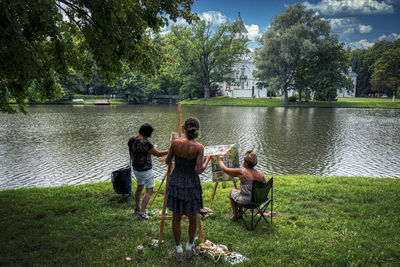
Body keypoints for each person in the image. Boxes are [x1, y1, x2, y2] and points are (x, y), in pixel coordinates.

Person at [165, 117, 211, 258]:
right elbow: (198, 170)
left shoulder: (175, 143)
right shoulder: (199, 148)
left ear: (184, 128)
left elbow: (168, 161)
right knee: (193, 216)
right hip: (191, 182)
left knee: (176, 217)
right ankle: (190, 245)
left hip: (177, 180)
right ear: (197, 130)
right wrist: (207, 160)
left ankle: (178, 247)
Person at [128, 123, 168, 220]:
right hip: (146, 169)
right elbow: (158, 154)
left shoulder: (132, 139)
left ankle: (137, 208)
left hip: (136, 168)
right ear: (148, 133)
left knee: (139, 188)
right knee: (149, 190)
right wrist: (169, 150)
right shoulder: (146, 142)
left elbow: (138, 150)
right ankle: (142, 213)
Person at [219, 150, 266, 220]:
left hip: (247, 202)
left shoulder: (242, 172)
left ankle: (236, 215)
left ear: (247, 163)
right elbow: (263, 186)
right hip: (259, 200)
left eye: (244, 161)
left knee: (232, 191)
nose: (243, 162)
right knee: (238, 190)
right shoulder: (261, 173)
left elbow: (225, 169)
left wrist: (220, 160)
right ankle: (240, 213)